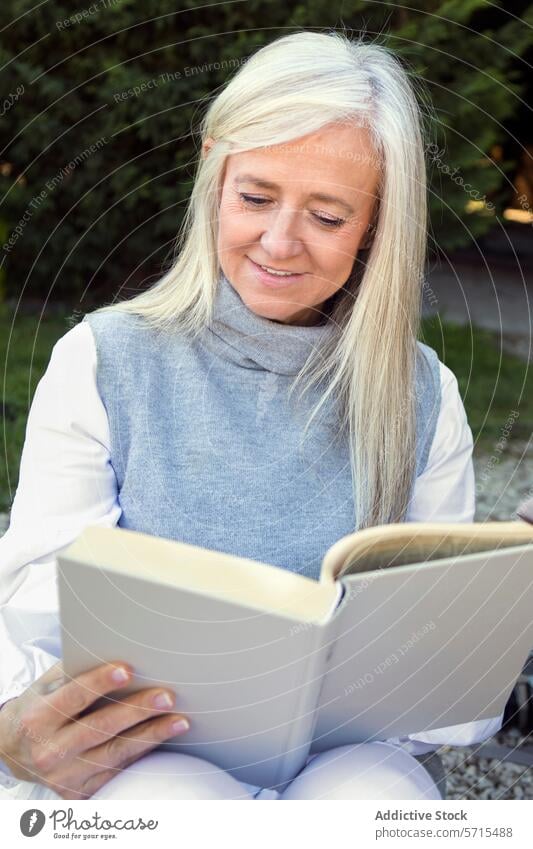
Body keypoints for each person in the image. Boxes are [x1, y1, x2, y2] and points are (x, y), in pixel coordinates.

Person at [0, 30, 503, 801]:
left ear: (377, 224)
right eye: (256, 197)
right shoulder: (105, 361)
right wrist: (20, 731)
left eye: (328, 217)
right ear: (213, 171)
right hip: (149, 747)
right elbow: (33, 613)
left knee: (375, 809)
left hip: (347, 754)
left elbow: (436, 666)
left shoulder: (422, 396)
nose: (278, 241)